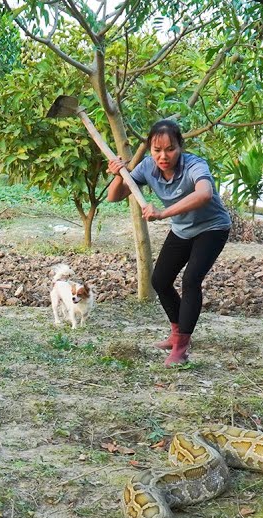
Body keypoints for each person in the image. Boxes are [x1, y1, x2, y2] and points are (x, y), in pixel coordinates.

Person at [107, 119, 231, 366]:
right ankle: (177, 332)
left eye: (170, 149)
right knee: (160, 281)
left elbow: (204, 194)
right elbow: (114, 197)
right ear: (151, 149)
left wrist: (163, 213)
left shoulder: (195, 165)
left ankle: (181, 347)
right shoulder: (147, 167)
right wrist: (119, 174)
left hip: (212, 228)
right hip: (183, 230)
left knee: (191, 280)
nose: (163, 156)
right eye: (157, 150)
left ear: (180, 147)